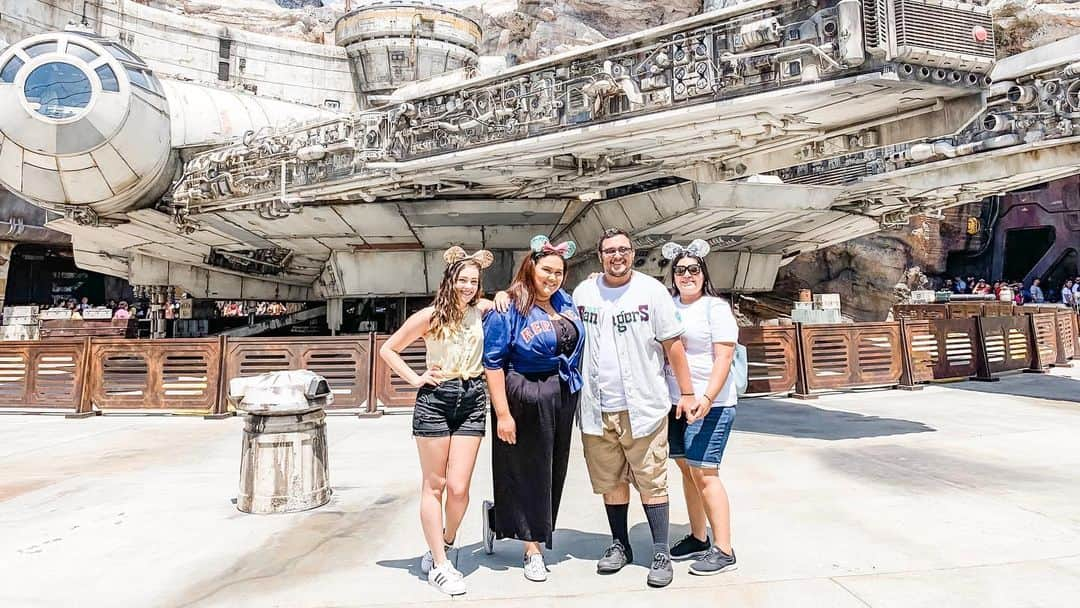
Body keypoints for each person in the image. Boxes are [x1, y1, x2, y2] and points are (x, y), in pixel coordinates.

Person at [572, 228, 696, 588]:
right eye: (609, 250)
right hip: (597, 406)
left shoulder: (652, 292)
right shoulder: (584, 292)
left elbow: (673, 345)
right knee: (611, 481)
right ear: (600, 256)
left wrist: (686, 393)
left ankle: (660, 551)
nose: (617, 256)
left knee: (652, 479)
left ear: (633, 253)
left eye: (623, 250)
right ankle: (619, 544)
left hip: (643, 404)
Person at [378, 246, 496, 597]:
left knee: (459, 488)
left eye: (474, 282)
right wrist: (415, 379)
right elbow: (389, 349)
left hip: (473, 397)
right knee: (435, 484)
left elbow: (510, 299)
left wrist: (503, 293)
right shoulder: (430, 316)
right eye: (462, 280)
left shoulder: (482, 311)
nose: (468, 287)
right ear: (450, 279)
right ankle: (442, 565)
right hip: (436, 399)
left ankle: (441, 543)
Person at [480, 235, 585, 582]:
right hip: (523, 392)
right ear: (531, 267)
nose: (552, 278)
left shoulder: (565, 302)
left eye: (559, 272)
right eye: (546, 270)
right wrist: (504, 414)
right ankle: (531, 549)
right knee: (529, 471)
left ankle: (498, 519)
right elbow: (493, 363)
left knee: (552, 469)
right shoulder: (508, 306)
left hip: (560, 392)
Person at [659, 240, 740, 576]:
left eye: (693, 269)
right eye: (680, 270)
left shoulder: (715, 308)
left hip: (712, 403)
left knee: (706, 473)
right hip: (675, 402)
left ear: (703, 273)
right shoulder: (668, 305)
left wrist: (706, 399)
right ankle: (697, 536)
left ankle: (724, 548)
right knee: (688, 471)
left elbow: (724, 356)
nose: (687, 275)